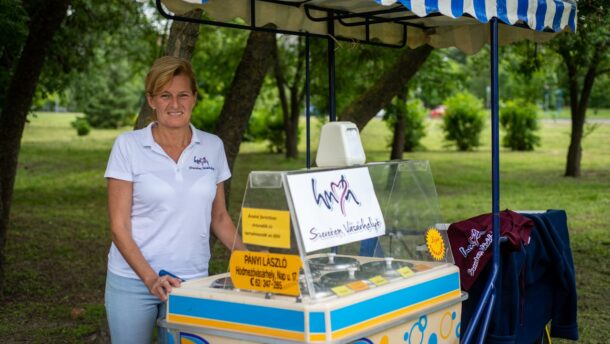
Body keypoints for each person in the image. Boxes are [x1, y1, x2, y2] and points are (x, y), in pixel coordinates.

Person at [103, 56, 246, 343]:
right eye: (165, 95)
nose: (175, 104)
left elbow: (218, 218)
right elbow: (118, 226)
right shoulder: (128, 146)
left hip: (191, 281)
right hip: (133, 281)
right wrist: (150, 279)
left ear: (194, 98)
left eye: (183, 95)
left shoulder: (212, 146)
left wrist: (250, 259)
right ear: (151, 100)